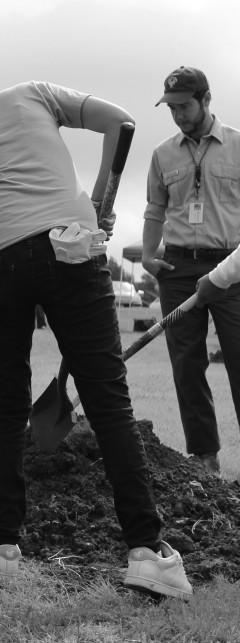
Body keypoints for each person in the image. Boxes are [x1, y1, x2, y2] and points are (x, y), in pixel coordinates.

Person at [0, 31, 191, 599]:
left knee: (5, 407)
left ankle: (1, 545)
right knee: (107, 399)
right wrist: (99, 201)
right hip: (70, 247)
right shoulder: (34, 93)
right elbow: (122, 123)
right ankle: (147, 553)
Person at [142, 66, 240, 478]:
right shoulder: (163, 154)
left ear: (206, 99)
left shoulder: (237, 145)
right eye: (172, 108)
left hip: (231, 267)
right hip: (178, 267)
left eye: (184, 105)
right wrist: (149, 255)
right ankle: (204, 458)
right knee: (187, 364)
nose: (179, 114)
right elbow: (155, 209)